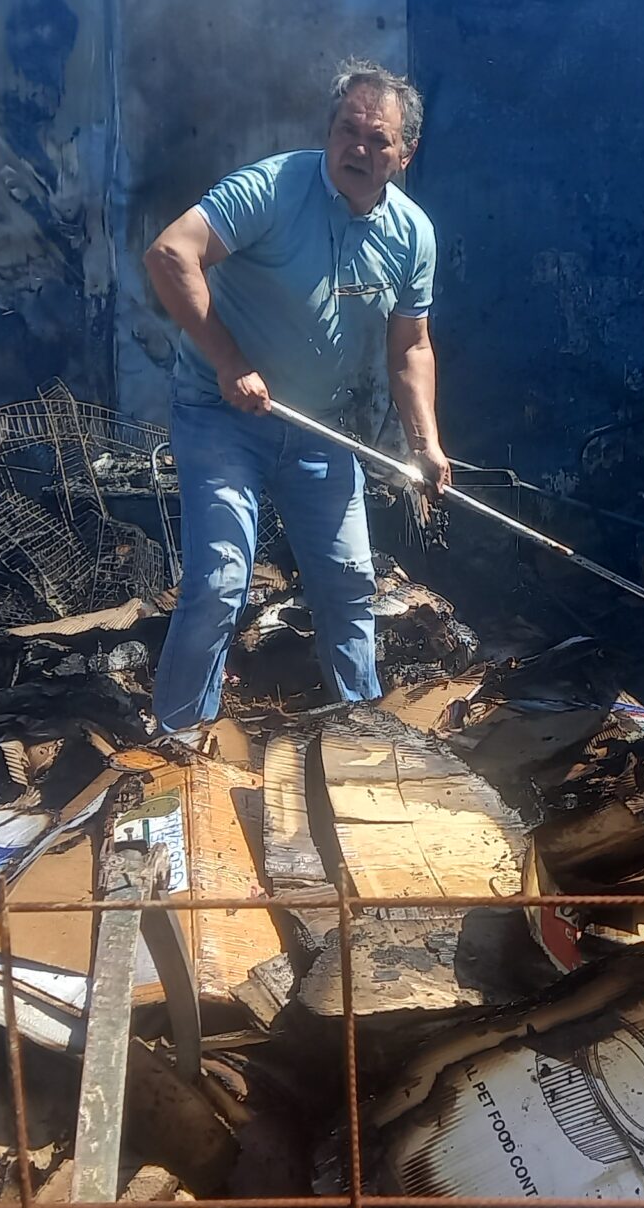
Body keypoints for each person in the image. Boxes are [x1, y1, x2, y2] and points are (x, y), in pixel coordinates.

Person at [141, 60, 451, 740]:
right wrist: (230, 363)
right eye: (348, 132)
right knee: (221, 583)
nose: (359, 150)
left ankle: (366, 739)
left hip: (321, 431)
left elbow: (410, 350)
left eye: (378, 140)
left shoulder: (412, 235)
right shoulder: (274, 188)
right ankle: (180, 743)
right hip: (222, 417)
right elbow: (171, 253)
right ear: (329, 131)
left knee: (349, 586)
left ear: (406, 154)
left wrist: (425, 444)